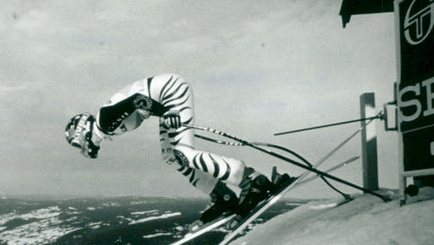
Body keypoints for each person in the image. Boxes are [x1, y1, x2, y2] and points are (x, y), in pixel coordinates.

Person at [65, 73, 290, 223]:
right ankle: (221, 194)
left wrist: (166, 113)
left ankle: (252, 180)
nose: (85, 150)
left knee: (183, 152)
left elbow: (138, 100)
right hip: (165, 98)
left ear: (81, 132)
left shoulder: (104, 121)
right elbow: (139, 103)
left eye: (80, 145)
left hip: (170, 93)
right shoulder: (105, 124)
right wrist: (163, 113)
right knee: (171, 156)